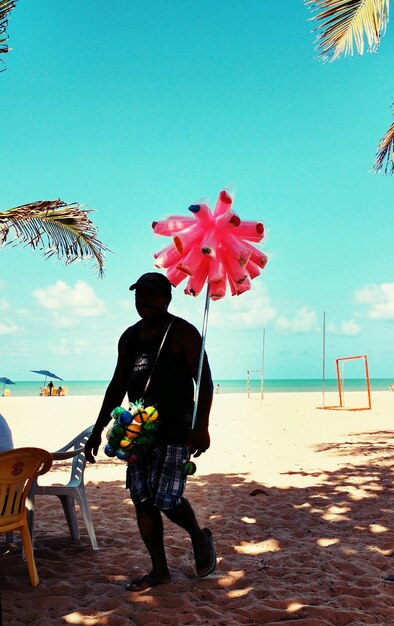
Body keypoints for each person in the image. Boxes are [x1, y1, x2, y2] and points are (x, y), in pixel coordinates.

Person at [85, 272, 216, 591]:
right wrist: (98, 428)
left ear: (167, 298)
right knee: (142, 501)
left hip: (175, 430)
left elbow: (206, 382)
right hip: (136, 432)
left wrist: (201, 427)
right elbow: (117, 385)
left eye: (151, 294)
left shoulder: (183, 332)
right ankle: (160, 570)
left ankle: (199, 537)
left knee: (168, 500)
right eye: (139, 294)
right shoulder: (129, 337)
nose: (143, 300)